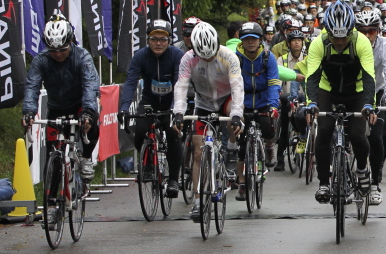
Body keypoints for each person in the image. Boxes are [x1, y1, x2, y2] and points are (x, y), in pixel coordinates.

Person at [304, 1, 378, 203]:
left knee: (357, 134)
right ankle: (323, 183)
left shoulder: (361, 41)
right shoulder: (319, 43)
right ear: (327, 31)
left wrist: (369, 104)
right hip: (328, 91)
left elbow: (370, 76)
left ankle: (362, 169)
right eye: (335, 37)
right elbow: (312, 76)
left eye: (343, 37)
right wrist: (311, 103)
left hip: (357, 92)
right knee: (324, 131)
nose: (339, 42)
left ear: (351, 32)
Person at [172, 21, 245, 222]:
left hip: (226, 98)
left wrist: (237, 115)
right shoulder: (188, 59)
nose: (208, 58)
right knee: (197, 152)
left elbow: (237, 87)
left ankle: (231, 149)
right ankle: (197, 201)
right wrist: (178, 111)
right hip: (203, 102)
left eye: (211, 54)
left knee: (232, 116)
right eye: (203, 55)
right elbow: (181, 86)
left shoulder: (229, 57)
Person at [21, 15, 101, 180]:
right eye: (53, 51)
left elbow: (89, 85)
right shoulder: (40, 61)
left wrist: (87, 111)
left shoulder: (82, 57)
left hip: (80, 103)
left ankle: (86, 158)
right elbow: (31, 86)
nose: (58, 54)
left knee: (91, 120)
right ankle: (50, 201)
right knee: (53, 157)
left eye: (62, 49)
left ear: (71, 42)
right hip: (57, 107)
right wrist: (28, 111)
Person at [119, 19, 184, 198]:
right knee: (140, 132)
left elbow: (179, 83)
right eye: (154, 39)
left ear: (169, 40)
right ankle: (147, 164)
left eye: (163, 39)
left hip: (172, 101)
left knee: (173, 134)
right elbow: (131, 82)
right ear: (147, 40)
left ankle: (173, 180)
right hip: (150, 101)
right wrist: (124, 108)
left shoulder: (177, 55)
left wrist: (175, 108)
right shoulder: (140, 56)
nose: (158, 43)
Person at [233, 22, 285, 200]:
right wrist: (236, 108)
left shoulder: (267, 57)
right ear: (241, 41)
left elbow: (273, 81)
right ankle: (241, 184)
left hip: (263, 100)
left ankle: (269, 147)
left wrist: (273, 106)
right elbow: (233, 84)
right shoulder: (236, 58)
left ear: (260, 40)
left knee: (268, 128)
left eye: (253, 39)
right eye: (246, 39)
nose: (250, 43)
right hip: (244, 102)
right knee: (241, 145)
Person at [355, 9, 386, 206]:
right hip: (355, 91)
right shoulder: (351, 44)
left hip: (379, 91)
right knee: (352, 135)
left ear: (378, 31)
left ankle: (374, 183)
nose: (366, 35)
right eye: (362, 30)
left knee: (375, 136)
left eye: (371, 31)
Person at [274, 26, 308, 170]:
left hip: (304, 98)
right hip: (286, 97)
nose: (296, 43)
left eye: (299, 40)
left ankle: (304, 138)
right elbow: (277, 79)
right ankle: (280, 159)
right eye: (293, 40)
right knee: (284, 123)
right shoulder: (282, 60)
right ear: (288, 43)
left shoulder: (308, 58)